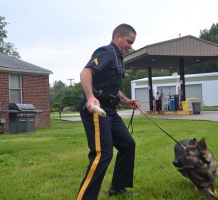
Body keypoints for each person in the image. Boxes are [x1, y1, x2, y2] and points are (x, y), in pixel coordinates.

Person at [77, 24, 141, 200]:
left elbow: (112, 89)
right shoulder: (106, 52)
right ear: (117, 37)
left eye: (132, 43)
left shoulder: (118, 58)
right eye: (129, 42)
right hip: (96, 109)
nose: (130, 46)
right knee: (103, 153)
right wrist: (90, 98)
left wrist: (127, 101)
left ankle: (118, 188)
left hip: (110, 111)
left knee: (128, 144)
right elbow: (85, 73)